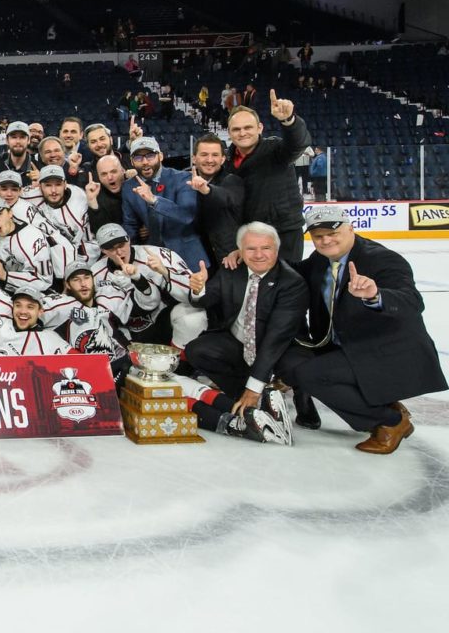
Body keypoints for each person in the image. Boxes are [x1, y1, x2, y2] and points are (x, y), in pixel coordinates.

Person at [281, 207, 447, 453]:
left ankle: (390, 422)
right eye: (318, 236)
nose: (326, 240)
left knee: (312, 375)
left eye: (332, 232)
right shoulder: (321, 258)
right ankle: (386, 406)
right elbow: (294, 270)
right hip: (347, 346)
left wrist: (375, 295)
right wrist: (254, 255)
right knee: (291, 365)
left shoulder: (381, 258)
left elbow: (412, 301)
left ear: (350, 228)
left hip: (386, 350)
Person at [182, 223, 307, 445]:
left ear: (277, 250)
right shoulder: (232, 271)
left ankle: (287, 396)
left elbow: (274, 340)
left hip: (278, 348)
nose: (259, 255)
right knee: (197, 350)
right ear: (240, 250)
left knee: (292, 366)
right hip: (239, 341)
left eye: (266, 248)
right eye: (250, 249)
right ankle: (253, 401)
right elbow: (205, 299)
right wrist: (198, 288)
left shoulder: (291, 283)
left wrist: (254, 387)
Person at [225, 90, 311, 262]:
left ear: (260, 128)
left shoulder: (275, 149)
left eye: (248, 127)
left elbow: (297, 143)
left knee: (287, 285)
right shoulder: (226, 162)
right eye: (236, 129)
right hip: (250, 237)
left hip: (284, 234)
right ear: (229, 132)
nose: (242, 133)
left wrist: (289, 121)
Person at [121, 137, 206, 270]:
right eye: (138, 158)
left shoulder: (183, 178)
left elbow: (187, 216)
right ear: (131, 161)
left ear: (160, 156)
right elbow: (130, 225)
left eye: (150, 156)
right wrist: (131, 256)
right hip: (153, 259)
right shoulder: (128, 187)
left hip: (188, 257)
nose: (144, 162)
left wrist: (154, 200)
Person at [188, 134, 244, 267]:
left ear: (223, 159)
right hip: (198, 258)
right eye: (204, 155)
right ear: (194, 158)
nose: (209, 160)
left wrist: (206, 190)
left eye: (214, 155)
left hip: (229, 258)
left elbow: (225, 197)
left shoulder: (232, 180)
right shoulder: (184, 180)